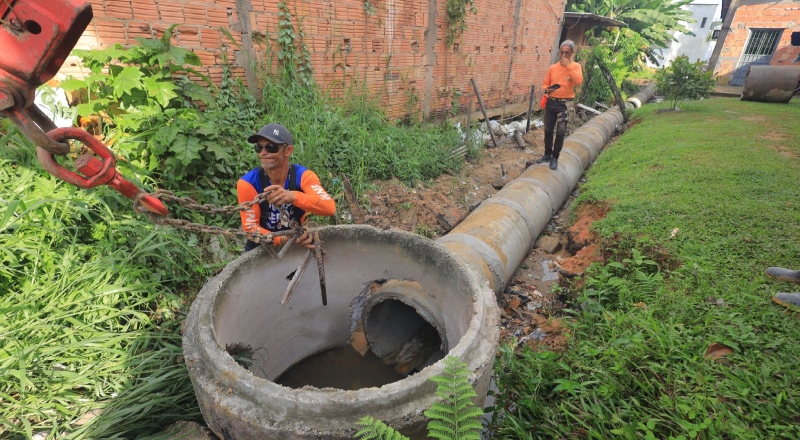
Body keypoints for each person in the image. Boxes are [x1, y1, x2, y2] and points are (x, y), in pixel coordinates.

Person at [237, 123, 336, 252]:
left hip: (296, 239)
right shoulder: (248, 183)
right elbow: (251, 229)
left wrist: (293, 196)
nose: (263, 153)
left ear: (288, 150)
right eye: (259, 148)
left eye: (271, 147)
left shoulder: (303, 176)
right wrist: (281, 239)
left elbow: (329, 208)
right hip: (262, 245)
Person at [537, 40, 583, 171]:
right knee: (548, 130)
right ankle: (547, 154)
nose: (563, 55)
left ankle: (555, 157)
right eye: (562, 52)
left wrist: (568, 66)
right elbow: (545, 84)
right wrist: (549, 89)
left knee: (561, 130)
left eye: (566, 53)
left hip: (564, 104)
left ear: (572, 53)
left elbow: (578, 81)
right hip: (551, 102)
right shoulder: (553, 68)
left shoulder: (575, 67)